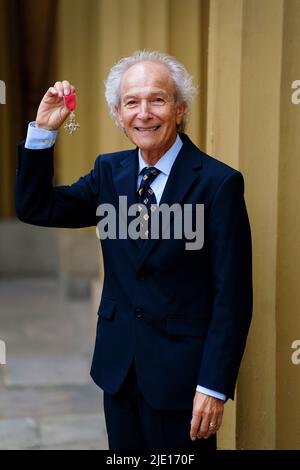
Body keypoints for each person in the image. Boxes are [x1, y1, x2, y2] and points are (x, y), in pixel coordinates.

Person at [15, 50, 252, 451]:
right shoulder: (109, 172)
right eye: (131, 102)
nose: (144, 113)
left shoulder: (219, 184)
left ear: (179, 109)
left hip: (183, 381)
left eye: (157, 100)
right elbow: (38, 207)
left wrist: (213, 385)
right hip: (119, 370)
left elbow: (233, 295)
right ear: (118, 114)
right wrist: (43, 131)